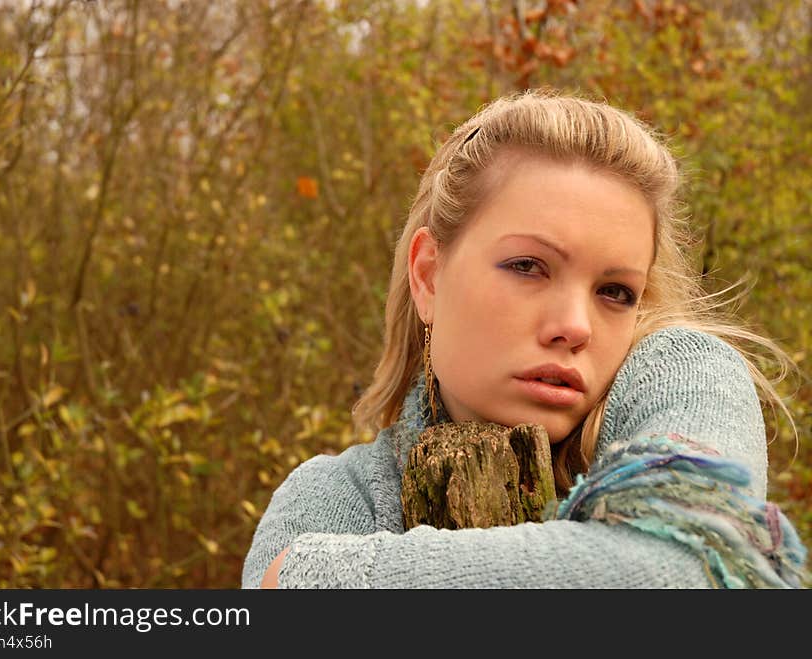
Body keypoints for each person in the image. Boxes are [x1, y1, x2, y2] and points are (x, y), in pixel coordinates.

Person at [241, 90, 808, 589]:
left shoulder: (685, 373)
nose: (576, 326)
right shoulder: (339, 496)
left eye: (615, 292)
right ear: (428, 275)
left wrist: (313, 579)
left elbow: (685, 570)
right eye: (528, 266)